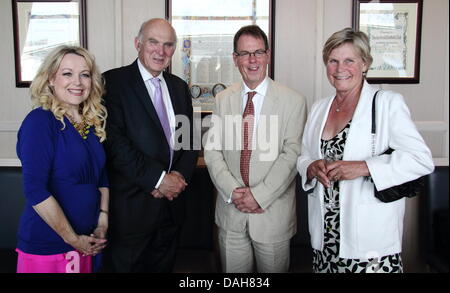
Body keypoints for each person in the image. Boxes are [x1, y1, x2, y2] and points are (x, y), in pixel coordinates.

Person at [296, 28, 434, 273]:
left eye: (349, 60)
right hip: (325, 240)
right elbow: (304, 154)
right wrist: (310, 167)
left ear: (365, 64)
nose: (340, 68)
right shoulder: (319, 108)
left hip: (370, 243)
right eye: (333, 61)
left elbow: (421, 160)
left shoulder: (387, 103)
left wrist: (364, 167)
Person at [204, 25, 307, 273]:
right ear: (235, 59)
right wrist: (233, 192)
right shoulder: (222, 99)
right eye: (244, 53)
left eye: (258, 52)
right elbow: (213, 151)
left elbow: (291, 155)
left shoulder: (294, 101)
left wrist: (258, 196)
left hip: (272, 216)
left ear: (268, 55)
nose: (252, 60)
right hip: (232, 213)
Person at [103, 18, 198, 273]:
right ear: (138, 44)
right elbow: (115, 144)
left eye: (168, 45)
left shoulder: (179, 87)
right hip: (132, 211)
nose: (161, 51)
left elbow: (189, 141)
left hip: (171, 208)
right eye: (153, 42)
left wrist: (177, 177)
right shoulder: (112, 83)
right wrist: (158, 180)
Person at [15, 46, 109, 273]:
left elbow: (102, 178)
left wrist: (102, 223)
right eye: (67, 73)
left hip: (88, 242)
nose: (77, 82)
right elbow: (35, 190)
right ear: (50, 79)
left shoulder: (91, 123)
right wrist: (73, 239)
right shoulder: (40, 121)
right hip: (49, 245)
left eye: (84, 74)